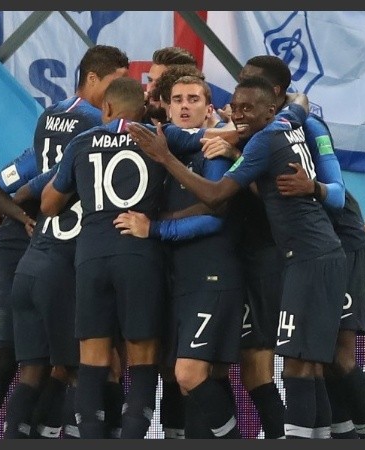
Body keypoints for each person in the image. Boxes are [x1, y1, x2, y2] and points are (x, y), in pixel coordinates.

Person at [128, 76, 348, 440]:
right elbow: (299, 101)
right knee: (303, 366)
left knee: (294, 367)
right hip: (301, 257)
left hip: (295, 261)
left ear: (269, 110)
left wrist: (164, 164)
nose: (240, 115)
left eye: (248, 108)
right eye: (238, 108)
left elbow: (216, 201)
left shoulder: (261, 141)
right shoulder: (282, 124)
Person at [0, 44, 130, 439]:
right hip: (46, 250)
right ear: (93, 78)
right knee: (76, 364)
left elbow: (14, 184)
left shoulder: (50, 116)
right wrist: (27, 218)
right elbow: (30, 188)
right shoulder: (101, 127)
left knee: (40, 365)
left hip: (45, 248)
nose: (121, 91)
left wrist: (28, 214)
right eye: (116, 82)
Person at [239, 54, 365, 439]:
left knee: (338, 356)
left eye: (250, 85)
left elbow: (336, 194)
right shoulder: (260, 131)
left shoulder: (310, 125)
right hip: (310, 252)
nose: (241, 95)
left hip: (343, 244)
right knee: (313, 359)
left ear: (275, 94)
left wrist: (313, 187)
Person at [114, 74, 244, 439]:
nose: (185, 105)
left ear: (208, 109)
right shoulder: (155, 152)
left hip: (211, 278)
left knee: (190, 374)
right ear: (167, 108)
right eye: (178, 99)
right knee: (178, 376)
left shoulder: (212, 153)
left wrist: (154, 229)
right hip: (175, 280)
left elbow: (213, 219)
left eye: (193, 99)